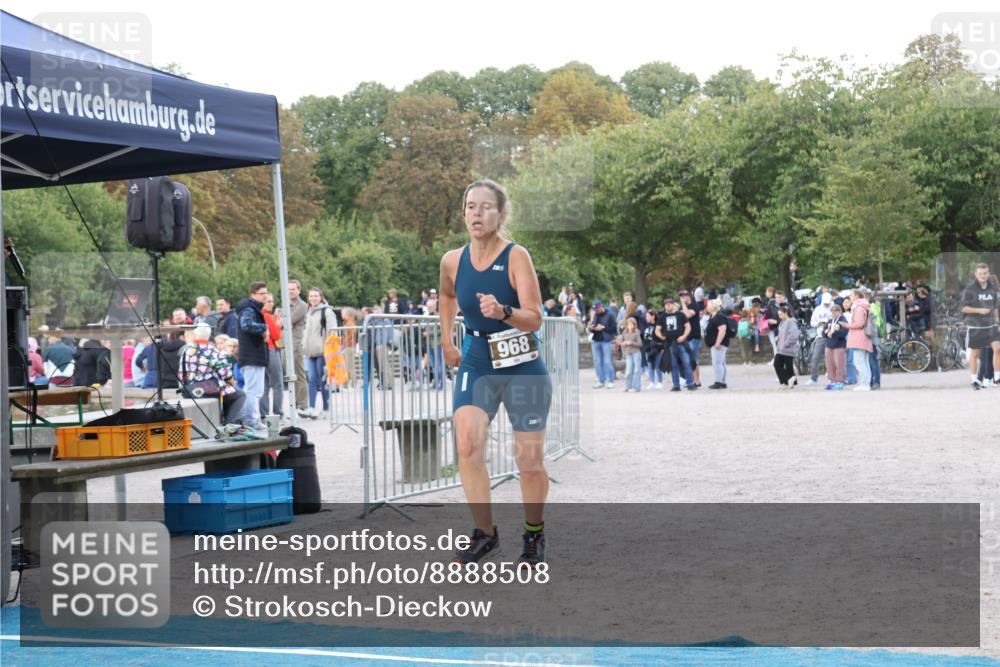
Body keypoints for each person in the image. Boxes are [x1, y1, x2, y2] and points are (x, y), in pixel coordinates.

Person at [439, 178, 552, 568]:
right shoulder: (452, 260)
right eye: (470, 206)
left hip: (522, 365)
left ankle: (533, 534)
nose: (476, 213)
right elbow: (447, 295)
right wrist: (447, 340)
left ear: (501, 215)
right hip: (476, 360)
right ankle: (485, 535)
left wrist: (503, 312)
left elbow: (535, 318)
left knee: (530, 460)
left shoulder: (517, 256)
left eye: (485, 206)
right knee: (468, 446)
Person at [181, 323, 246, 425]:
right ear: (209, 335)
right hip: (210, 389)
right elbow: (225, 374)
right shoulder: (214, 351)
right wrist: (232, 382)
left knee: (229, 392)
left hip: (191, 389)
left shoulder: (186, 351)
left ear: (195, 334)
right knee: (240, 394)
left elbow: (181, 374)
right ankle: (230, 423)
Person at [235, 282, 270, 430]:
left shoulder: (251, 308)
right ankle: (250, 420)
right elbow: (246, 325)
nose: (265, 296)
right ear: (253, 294)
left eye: (266, 293)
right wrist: (264, 328)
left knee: (255, 390)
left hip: (253, 355)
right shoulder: (248, 309)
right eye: (262, 293)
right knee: (253, 391)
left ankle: (252, 419)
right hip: (252, 355)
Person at [960, 263, 1000, 390]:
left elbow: (995, 307)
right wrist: (979, 310)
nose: (983, 276)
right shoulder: (970, 289)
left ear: (988, 274)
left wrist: (997, 322)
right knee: (975, 353)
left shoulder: (992, 288)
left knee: (997, 349)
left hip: (991, 325)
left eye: (985, 273)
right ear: (976, 275)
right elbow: (963, 308)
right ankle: (974, 380)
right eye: (980, 274)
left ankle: (997, 377)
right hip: (976, 326)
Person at [302, 287, 337, 417]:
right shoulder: (308, 312)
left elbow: (333, 331)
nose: (313, 298)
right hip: (310, 352)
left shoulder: (326, 312)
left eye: (316, 296)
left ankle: (326, 408)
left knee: (322, 380)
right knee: (311, 379)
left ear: (321, 297)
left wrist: (331, 350)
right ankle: (311, 407)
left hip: (322, 351)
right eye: (311, 296)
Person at [660, 297, 696, 392]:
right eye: (666, 304)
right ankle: (676, 385)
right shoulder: (662, 316)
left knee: (687, 363)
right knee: (673, 365)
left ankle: (690, 383)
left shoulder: (681, 315)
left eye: (670, 303)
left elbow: (688, 327)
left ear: (673, 304)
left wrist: (683, 337)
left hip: (681, 343)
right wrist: (661, 336)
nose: (668, 305)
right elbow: (657, 329)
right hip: (670, 344)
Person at [843, 288, 874, 392]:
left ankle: (864, 384)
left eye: (851, 295)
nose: (850, 297)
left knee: (859, 362)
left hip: (859, 337)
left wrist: (847, 325)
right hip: (864, 337)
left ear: (856, 296)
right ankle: (866, 383)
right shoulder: (864, 306)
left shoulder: (859, 307)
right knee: (864, 362)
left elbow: (859, 323)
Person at [260, 293, 285, 420]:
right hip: (271, 350)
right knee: (277, 384)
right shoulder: (267, 317)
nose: (271, 303)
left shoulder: (257, 315)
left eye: (271, 301)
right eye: (268, 301)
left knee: (264, 384)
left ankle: (263, 414)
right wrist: (279, 326)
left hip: (261, 352)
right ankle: (278, 413)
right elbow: (275, 336)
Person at [588, 300, 617, 389]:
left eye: (597, 309)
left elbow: (614, 329)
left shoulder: (610, 315)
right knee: (597, 362)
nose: (596, 311)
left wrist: (603, 328)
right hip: (596, 340)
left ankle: (611, 381)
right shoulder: (596, 315)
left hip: (606, 341)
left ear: (601, 307)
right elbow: (594, 327)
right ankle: (601, 381)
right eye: (594, 310)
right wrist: (591, 328)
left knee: (607, 361)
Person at [704, 299, 732, 389]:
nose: (707, 307)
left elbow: (722, 329)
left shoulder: (719, 316)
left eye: (708, 305)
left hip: (719, 343)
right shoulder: (713, 316)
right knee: (721, 363)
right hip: (716, 343)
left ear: (714, 306)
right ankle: (722, 382)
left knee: (717, 363)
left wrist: (718, 342)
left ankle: (718, 381)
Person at [808, 292, 834, 385]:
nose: (827, 304)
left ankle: (831, 377)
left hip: (831, 336)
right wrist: (819, 323)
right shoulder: (817, 309)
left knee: (830, 358)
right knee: (815, 358)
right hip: (820, 336)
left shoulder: (833, 308)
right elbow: (812, 322)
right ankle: (813, 378)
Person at [823, 304, 849, 390]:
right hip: (829, 345)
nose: (833, 313)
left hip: (839, 345)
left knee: (839, 364)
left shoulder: (843, 320)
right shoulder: (830, 320)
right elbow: (823, 332)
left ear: (839, 311)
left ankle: (840, 380)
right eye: (832, 311)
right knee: (829, 364)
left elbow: (844, 332)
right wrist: (827, 332)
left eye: (835, 311)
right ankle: (832, 380)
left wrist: (834, 332)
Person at [773, 305, 799, 387]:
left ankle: (788, 380)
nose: (779, 316)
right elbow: (783, 333)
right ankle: (788, 381)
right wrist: (778, 338)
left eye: (781, 314)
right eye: (778, 314)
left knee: (785, 366)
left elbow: (794, 335)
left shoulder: (791, 322)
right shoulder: (782, 322)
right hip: (781, 349)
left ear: (786, 313)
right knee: (779, 364)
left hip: (787, 349)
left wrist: (785, 344)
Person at [615, 316, 642, 392]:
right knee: (628, 371)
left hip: (636, 353)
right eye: (628, 324)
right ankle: (628, 386)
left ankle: (636, 387)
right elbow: (620, 342)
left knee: (636, 370)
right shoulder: (625, 332)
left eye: (631, 324)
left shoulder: (636, 333)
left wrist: (631, 342)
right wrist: (623, 343)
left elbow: (640, 344)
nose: (630, 326)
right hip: (628, 354)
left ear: (634, 325)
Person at [642, 308, 665, 389]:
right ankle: (651, 382)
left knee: (658, 366)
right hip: (648, 349)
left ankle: (660, 382)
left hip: (657, 349)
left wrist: (662, 348)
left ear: (653, 316)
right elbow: (645, 339)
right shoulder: (646, 326)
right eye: (646, 316)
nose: (646, 318)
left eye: (648, 316)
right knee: (649, 366)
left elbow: (661, 338)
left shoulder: (658, 327)